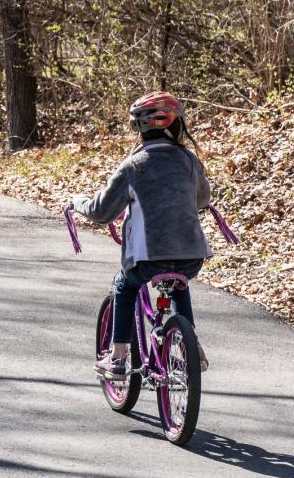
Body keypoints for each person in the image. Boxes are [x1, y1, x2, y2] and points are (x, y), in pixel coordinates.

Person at [72, 91, 212, 380]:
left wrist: (79, 203)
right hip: (191, 256)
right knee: (178, 284)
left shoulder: (133, 166)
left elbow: (101, 211)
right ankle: (189, 340)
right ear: (177, 125)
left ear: (139, 129)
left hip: (149, 258)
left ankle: (119, 359)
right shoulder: (189, 161)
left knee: (125, 285)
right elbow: (202, 199)